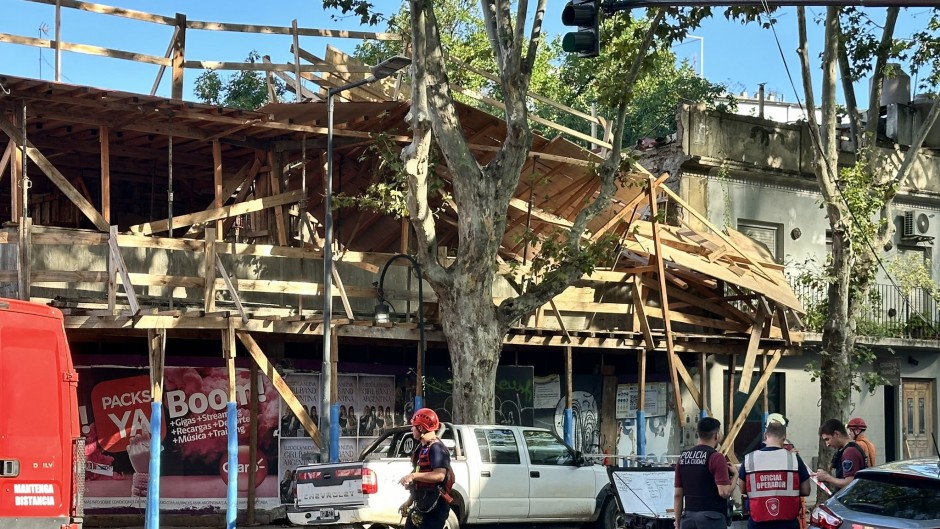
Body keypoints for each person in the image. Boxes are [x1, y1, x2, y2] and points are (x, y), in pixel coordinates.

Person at [739, 422, 811, 529]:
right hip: (787, 522)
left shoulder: (750, 459)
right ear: (784, 437)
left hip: (758, 521)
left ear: (765, 436)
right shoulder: (793, 459)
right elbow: (806, 490)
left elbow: (743, 489)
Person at [674, 417, 738, 529]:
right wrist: (735, 476)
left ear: (698, 434)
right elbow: (724, 492)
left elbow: (678, 495)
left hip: (688, 519)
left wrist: (678, 522)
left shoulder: (683, 458)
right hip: (712, 519)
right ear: (717, 435)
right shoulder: (716, 457)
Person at [399, 408, 451, 529]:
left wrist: (413, 476)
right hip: (422, 505)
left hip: (434, 507)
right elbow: (420, 478)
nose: (411, 429)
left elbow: (439, 475)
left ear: (421, 428)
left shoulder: (436, 448)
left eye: (413, 426)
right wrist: (409, 502)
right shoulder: (422, 447)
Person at [814, 419, 867, 492]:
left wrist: (827, 477)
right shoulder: (849, 449)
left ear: (836, 434)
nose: (827, 444)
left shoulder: (850, 452)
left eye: (827, 439)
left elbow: (850, 483)